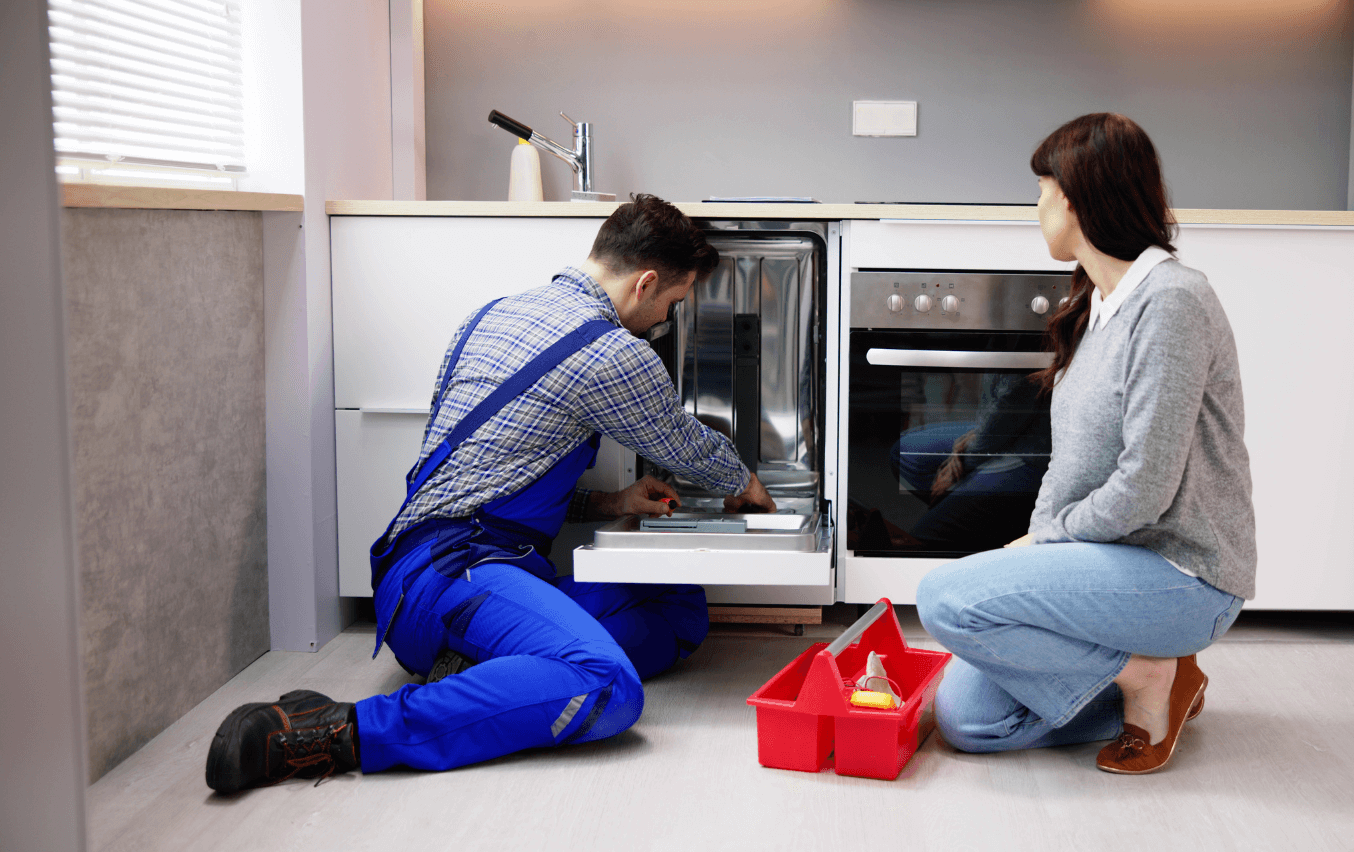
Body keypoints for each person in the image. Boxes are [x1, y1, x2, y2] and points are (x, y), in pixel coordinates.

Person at [206, 194, 775, 792]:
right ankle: (334, 731)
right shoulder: (612, 352)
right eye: (671, 304)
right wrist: (749, 485)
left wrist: (612, 504)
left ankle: (489, 673)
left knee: (679, 604)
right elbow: (683, 442)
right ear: (646, 283)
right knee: (606, 685)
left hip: (458, 565)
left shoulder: (492, 314)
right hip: (452, 574)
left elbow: (487, 476)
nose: (664, 321)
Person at [916, 114, 1255, 774]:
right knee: (970, 721)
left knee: (943, 596)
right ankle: (1157, 678)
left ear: (1076, 196)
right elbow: (1070, 464)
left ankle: (1146, 679)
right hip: (1106, 563)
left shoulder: (1172, 302)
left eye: (1041, 189)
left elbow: (1146, 484)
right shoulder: (1096, 305)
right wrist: (1040, 544)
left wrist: (1042, 543)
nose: (1035, 206)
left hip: (1181, 575)